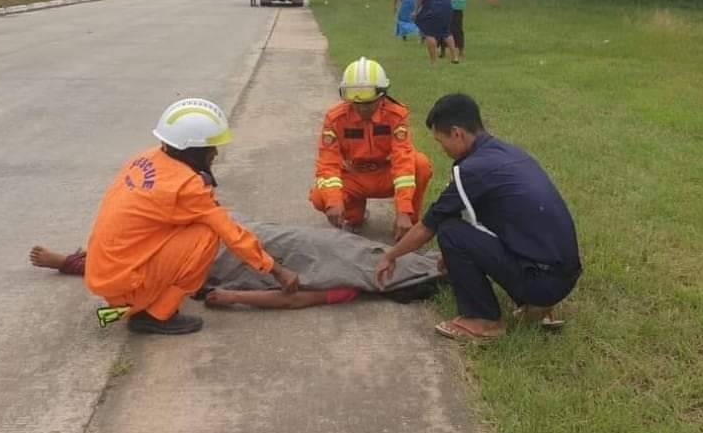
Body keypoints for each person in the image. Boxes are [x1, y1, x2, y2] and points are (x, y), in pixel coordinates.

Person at [81, 97, 300, 335]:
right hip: (125, 284)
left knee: (192, 225)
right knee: (207, 235)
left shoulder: (147, 157)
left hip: (107, 270)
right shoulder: (186, 186)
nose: (215, 153)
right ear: (193, 151)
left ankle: (146, 297)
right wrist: (278, 270)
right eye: (210, 148)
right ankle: (155, 315)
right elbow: (232, 234)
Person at [375, 93, 582, 342]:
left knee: (450, 231)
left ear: (457, 133)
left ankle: (483, 320)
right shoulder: (508, 153)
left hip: (542, 282)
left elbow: (429, 226)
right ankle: (540, 307)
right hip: (564, 273)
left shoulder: (471, 170)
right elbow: (492, 219)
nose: (443, 150)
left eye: (442, 142)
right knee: (464, 230)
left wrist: (391, 255)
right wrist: (455, 256)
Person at [31, 217, 445, 311]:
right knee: (148, 251)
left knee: (144, 266)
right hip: (248, 240)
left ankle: (72, 261)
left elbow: (300, 299)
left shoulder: (352, 284)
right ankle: (73, 259)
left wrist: (234, 296)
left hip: (224, 258)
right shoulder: (360, 265)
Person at [309, 57, 433, 239]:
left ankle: (409, 225)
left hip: (385, 174)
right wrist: (333, 200)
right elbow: (328, 163)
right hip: (355, 176)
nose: (362, 109)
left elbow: (403, 160)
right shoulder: (335, 119)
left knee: (420, 164)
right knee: (321, 196)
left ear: (382, 95)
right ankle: (354, 216)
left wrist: (404, 210)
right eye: (356, 103)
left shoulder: (395, 116)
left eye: (368, 103)